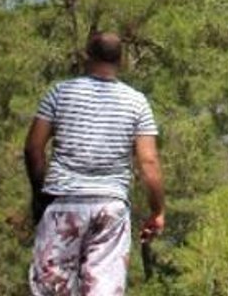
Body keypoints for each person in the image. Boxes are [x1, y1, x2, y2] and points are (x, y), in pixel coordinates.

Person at [25, 32, 165, 295]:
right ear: (121, 60)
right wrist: (157, 210)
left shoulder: (60, 93)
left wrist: (39, 195)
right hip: (110, 206)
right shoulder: (137, 102)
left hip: (64, 202)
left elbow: (33, 148)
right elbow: (148, 161)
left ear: (87, 56)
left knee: (52, 288)